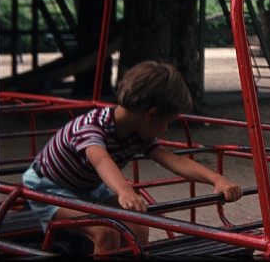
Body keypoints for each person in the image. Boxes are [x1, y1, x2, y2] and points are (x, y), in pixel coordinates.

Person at [21, 61, 244, 254]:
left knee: (137, 223)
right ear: (151, 115)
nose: (166, 129)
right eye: (167, 122)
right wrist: (124, 190)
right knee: (104, 232)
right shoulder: (90, 127)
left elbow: (173, 160)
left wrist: (217, 179)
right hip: (48, 188)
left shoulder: (138, 133)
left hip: (89, 187)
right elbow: (101, 160)